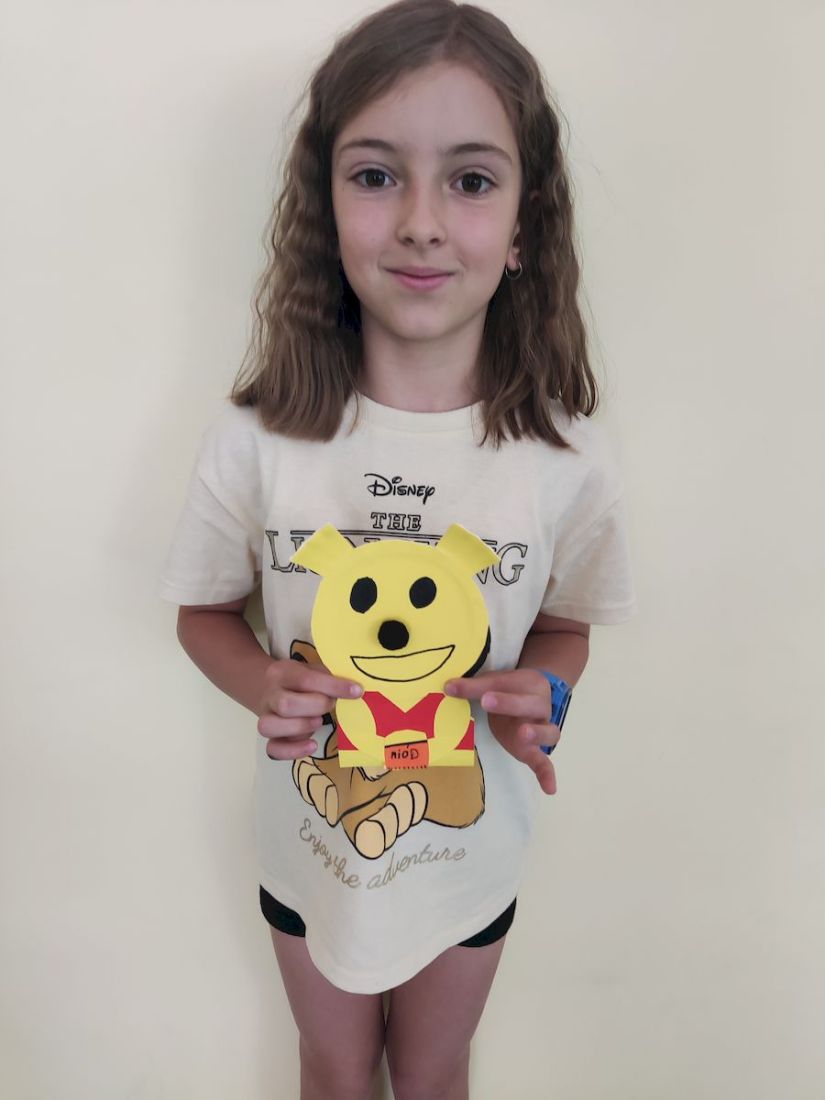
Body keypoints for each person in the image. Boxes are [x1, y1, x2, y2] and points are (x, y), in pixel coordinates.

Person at [158, 1, 637, 1097]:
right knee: (333, 1070)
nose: (422, 222)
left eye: (469, 180)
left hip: (468, 849)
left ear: (523, 225)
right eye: (376, 175)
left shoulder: (566, 460)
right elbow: (204, 612)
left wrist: (545, 694)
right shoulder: (257, 438)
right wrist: (260, 681)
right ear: (325, 208)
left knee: (432, 1074)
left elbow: (565, 625)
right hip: (308, 844)